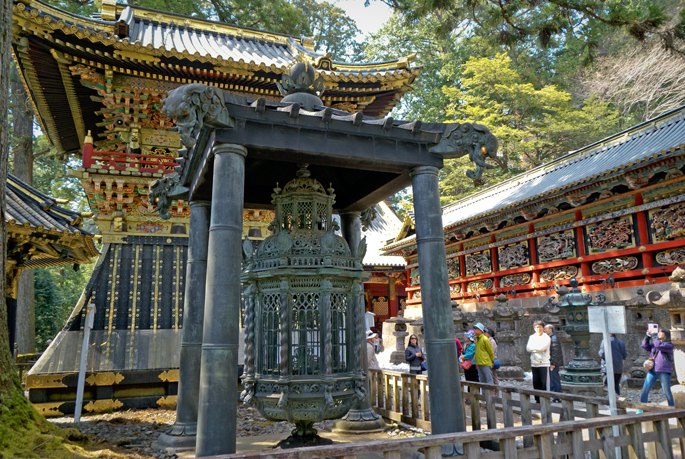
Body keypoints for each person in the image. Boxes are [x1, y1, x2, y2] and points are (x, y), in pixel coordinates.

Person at [640, 327, 675, 406]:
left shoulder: (669, 345)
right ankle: (642, 408)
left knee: (666, 391)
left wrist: (654, 335)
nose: (658, 333)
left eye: (661, 332)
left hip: (663, 370)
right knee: (645, 389)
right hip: (652, 369)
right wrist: (647, 336)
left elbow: (658, 345)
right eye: (658, 332)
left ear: (666, 334)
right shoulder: (655, 343)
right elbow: (644, 345)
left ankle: (672, 409)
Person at [526, 320, 551, 403]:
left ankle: (545, 399)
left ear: (543, 328)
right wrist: (537, 349)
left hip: (544, 363)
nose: (538, 329)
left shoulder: (546, 337)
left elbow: (542, 348)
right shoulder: (532, 337)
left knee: (544, 383)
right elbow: (528, 348)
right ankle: (537, 400)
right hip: (534, 363)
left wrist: (535, 349)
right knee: (536, 383)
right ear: (534, 328)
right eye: (537, 327)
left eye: (540, 327)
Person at [544, 324, 563, 402]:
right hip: (551, 361)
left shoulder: (553, 338)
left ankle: (557, 396)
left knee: (555, 379)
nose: (545, 330)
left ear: (550, 329)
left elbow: (555, 352)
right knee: (553, 379)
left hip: (553, 362)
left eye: (546, 328)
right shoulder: (550, 338)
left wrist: (553, 363)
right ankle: (555, 395)